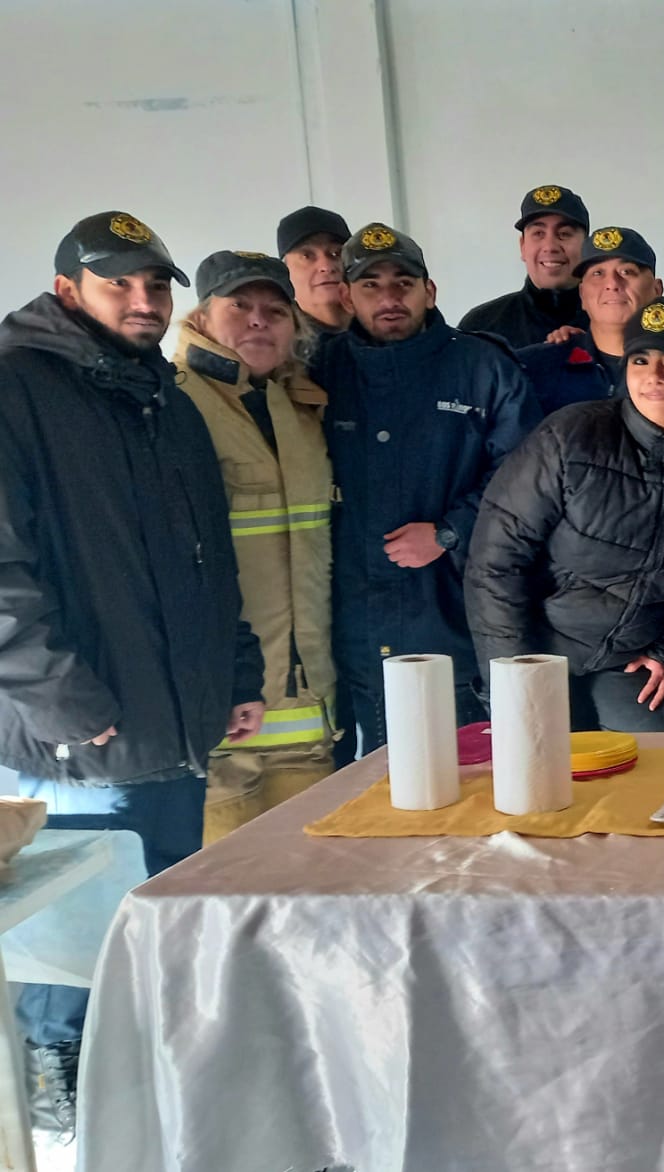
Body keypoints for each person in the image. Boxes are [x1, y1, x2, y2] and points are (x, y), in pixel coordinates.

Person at [0, 212, 265, 1133]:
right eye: (120, 284)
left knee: (153, 927)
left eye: (157, 285)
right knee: (72, 947)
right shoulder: (15, 391)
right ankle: (55, 1101)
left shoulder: (165, 397)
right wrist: (66, 705)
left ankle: (146, 1100)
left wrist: (236, 670)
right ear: (69, 289)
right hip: (75, 736)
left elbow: (210, 557)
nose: (146, 302)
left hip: (170, 727)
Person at [466, 298, 664, 731]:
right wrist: (513, 678)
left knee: (650, 785)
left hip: (633, 665)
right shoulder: (569, 437)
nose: (655, 376)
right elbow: (494, 564)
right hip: (540, 651)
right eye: (641, 360)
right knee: (542, 781)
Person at [312, 223, 542, 761]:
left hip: (457, 627)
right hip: (358, 639)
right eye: (371, 286)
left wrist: (448, 531)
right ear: (346, 295)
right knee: (381, 796)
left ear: (429, 291)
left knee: (470, 794)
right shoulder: (320, 372)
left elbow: (524, 481)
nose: (390, 298)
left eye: (403, 283)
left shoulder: (482, 367)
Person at [174, 251, 337, 842]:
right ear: (201, 316)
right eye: (238, 306)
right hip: (220, 715)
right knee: (222, 897)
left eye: (274, 310)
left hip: (307, 708)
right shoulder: (173, 404)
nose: (258, 320)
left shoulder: (301, 407)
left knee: (311, 887)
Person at [515, 226, 662, 416]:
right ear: (582, 294)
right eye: (598, 273)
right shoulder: (533, 369)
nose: (612, 284)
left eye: (627, 271)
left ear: (657, 290)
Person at [458, 184, 590, 346]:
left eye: (564, 234)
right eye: (538, 234)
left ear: (587, 247)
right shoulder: (481, 326)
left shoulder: (616, 325)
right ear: (523, 246)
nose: (550, 246)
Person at [276, 204, 352, 333]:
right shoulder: (279, 342)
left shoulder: (385, 328)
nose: (326, 267)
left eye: (336, 253)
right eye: (307, 256)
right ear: (284, 270)